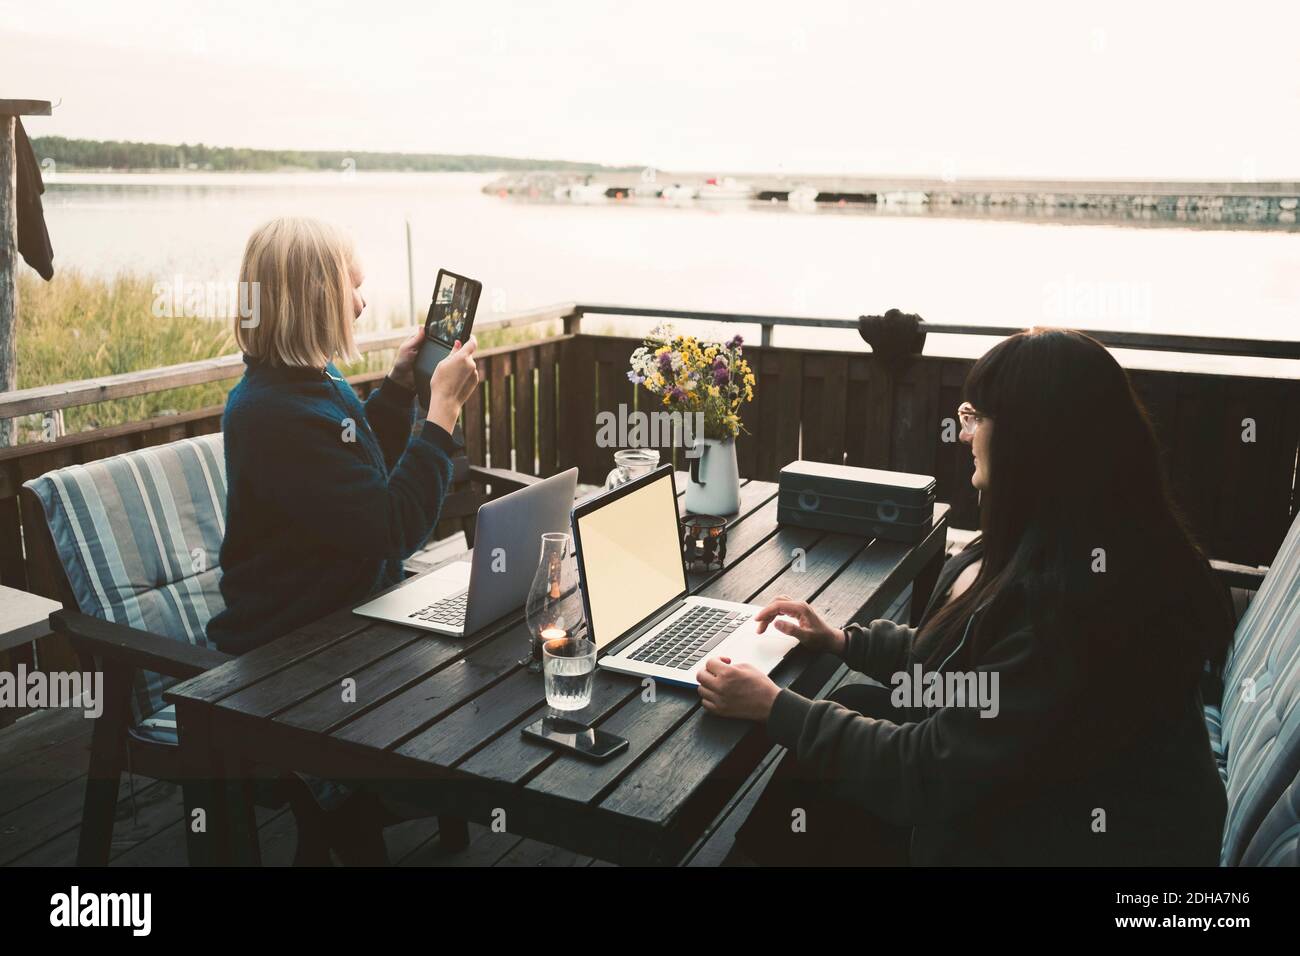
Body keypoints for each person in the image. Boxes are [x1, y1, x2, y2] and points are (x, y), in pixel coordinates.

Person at [700, 327, 1232, 866]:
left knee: (825, 753)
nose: (962, 434)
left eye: (976, 418)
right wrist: (844, 641)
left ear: (1034, 439)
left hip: (1059, 841)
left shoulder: (1073, 604)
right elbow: (975, 661)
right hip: (1041, 799)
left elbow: (925, 774)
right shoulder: (1079, 538)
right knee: (855, 706)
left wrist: (773, 706)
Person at [205, 217, 480, 862]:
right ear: (314, 300)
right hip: (288, 648)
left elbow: (360, 482)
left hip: (346, 623)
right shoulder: (270, 413)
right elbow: (387, 530)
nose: (361, 302)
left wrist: (397, 389)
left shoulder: (308, 385)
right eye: (351, 289)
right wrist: (439, 419)